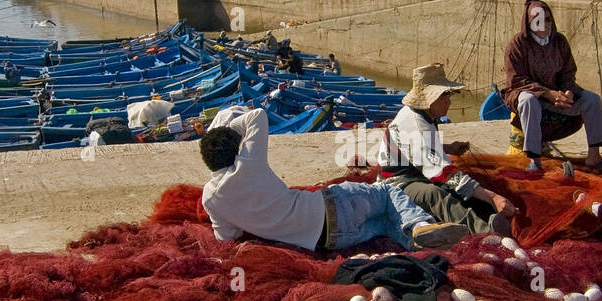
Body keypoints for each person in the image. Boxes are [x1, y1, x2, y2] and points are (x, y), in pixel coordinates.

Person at [199, 104, 468, 251]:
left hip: (329, 241)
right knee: (387, 192)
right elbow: (257, 116)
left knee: (386, 224)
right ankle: (419, 225)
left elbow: (227, 238)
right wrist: (232, 131)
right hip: (332, 206)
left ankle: (416, 242)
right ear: (237, 149)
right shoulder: (247, 163)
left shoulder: (211, 198)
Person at [377, 63, 517, 236]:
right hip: (398, 183)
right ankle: (483, 233)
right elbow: (445, 173)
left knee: (462, 189)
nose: (448, 102)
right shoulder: (415, 123)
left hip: (417, 173)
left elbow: (417, 149)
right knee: (435, 194)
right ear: (429, 99)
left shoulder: (424, 115)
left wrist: (448, 147)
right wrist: (493, 197)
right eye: (443, 97)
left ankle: (485, 217)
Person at [501, 0, 602, 171]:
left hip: (557, 95)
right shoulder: (517, 44)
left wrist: (568, 92)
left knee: (592, 100)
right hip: (529, 95)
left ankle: (594, 155)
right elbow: (517, 80)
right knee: (528, 101)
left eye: (548, 19)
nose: (545, 24)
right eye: (539, 20)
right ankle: (535, 160)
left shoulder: (559, 41)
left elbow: (568, 72)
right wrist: (547, 94)